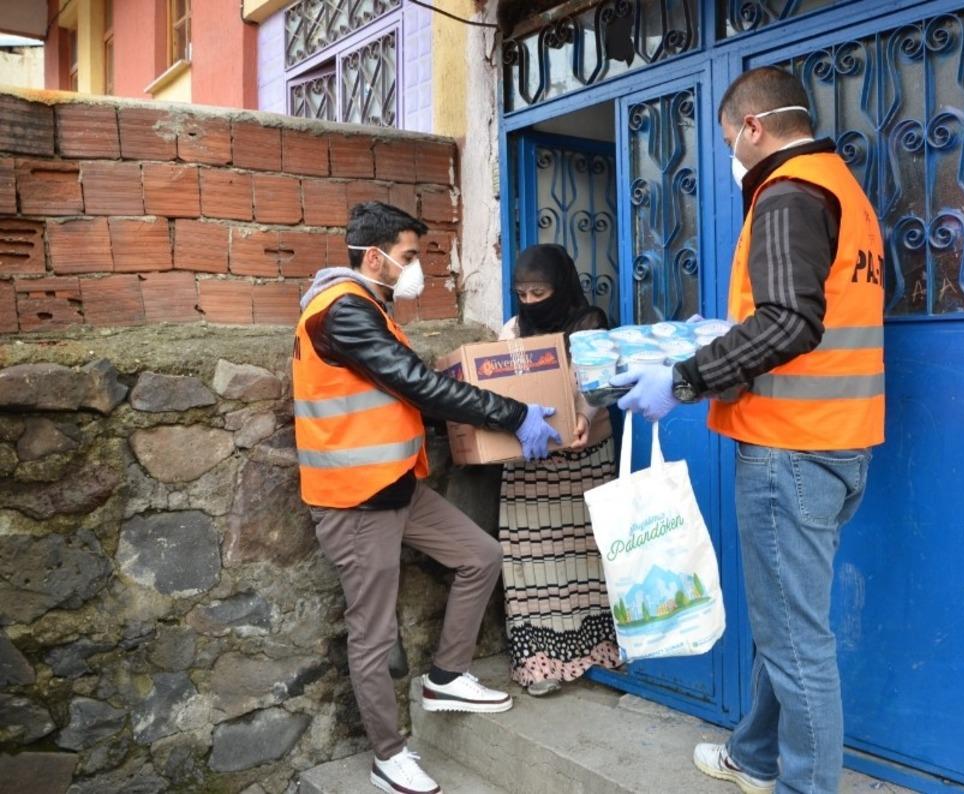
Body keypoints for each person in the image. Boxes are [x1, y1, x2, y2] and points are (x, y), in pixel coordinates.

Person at [612, 67, 885, 794]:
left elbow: (791, 321)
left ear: (753, 128)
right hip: (839, 442)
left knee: (797, 643)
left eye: (729, 137)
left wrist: (683, 378)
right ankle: (756, 757)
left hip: (789, 448)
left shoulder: (787, 191)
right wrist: (725, 334)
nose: (731, 150)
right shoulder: (842, 190)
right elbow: (808, 312)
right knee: (787, 620)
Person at [292, 201, 561, 794]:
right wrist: (512, 414)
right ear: (375, 257)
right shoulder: (341, 313)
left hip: (393, 486)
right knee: (371, 633)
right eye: (410, 256)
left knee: (480, 556)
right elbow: (414, 383)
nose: (417, 268)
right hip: (355, 499)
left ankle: (446, 675)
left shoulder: (365, 309)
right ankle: (389, 757)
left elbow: (404, 391)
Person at [496, 244, 622, 697]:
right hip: (530, 464)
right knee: (532, 561)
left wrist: (584, 415)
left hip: (583, 459)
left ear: (561, 286)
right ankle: (539, 664)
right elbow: (500, 384)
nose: (530, 302)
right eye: (522, 293)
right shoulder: (511, 329)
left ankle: (598, 652)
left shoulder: (590, 324)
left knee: (586, 556)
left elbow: (601, 384)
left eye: (539, 291)